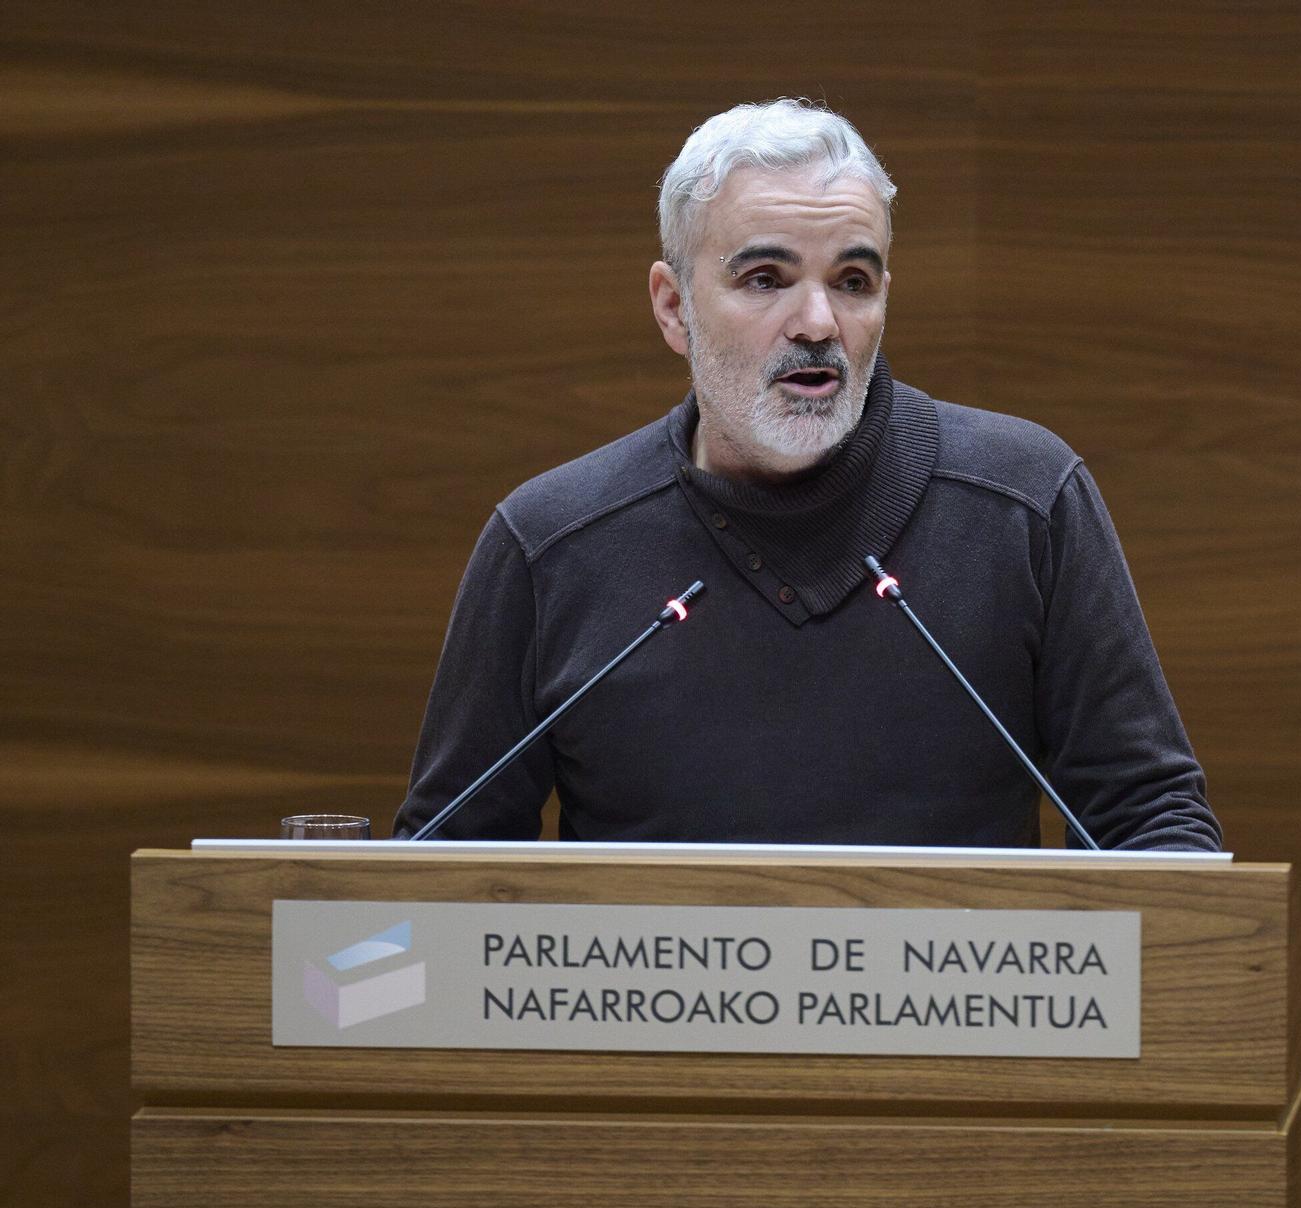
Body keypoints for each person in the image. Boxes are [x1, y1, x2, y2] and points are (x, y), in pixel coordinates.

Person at [393, 99, 1220, 850]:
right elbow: (437, 875)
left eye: (852, 282)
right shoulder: (550, 543)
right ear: (673, 306)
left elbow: (1153, 825)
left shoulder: (1025, 502)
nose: (819, 323)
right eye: (766, 279)